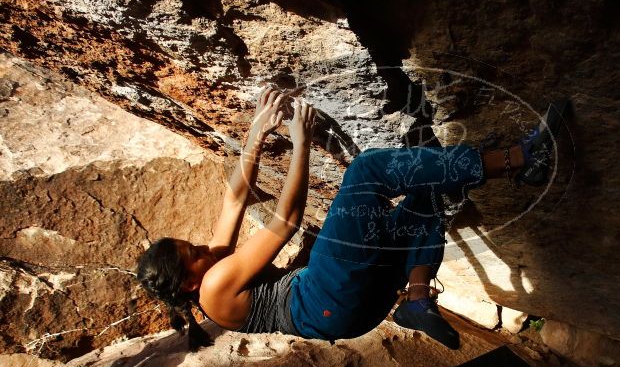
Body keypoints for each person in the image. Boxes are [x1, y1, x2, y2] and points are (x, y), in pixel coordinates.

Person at [136, 87, 564, 351]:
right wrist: (300, 141)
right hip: (322, 299)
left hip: (355, 309)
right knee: (368, 171)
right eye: (192, 253)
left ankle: (417, 299)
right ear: (190, 282)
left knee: (426, 184)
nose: (202, 247)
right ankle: (519, 160)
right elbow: (286, 221)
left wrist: (256, 133)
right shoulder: (213, 287)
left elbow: (233, 200)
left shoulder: (209, 271)